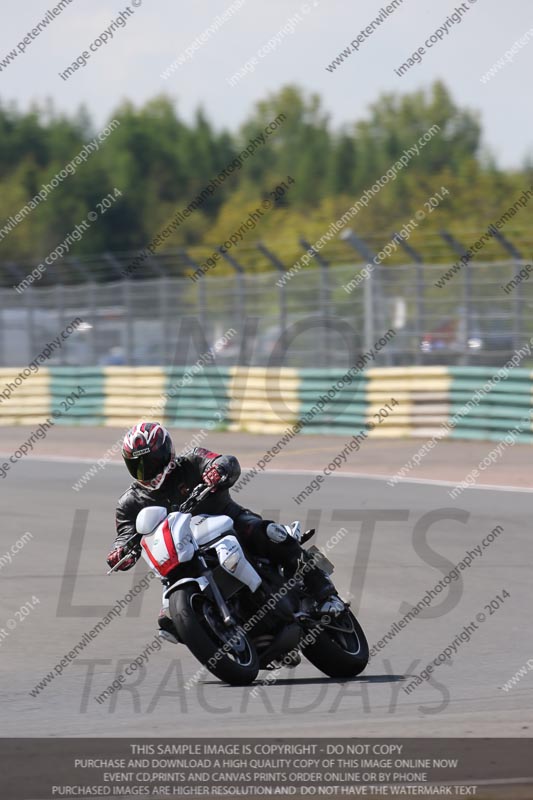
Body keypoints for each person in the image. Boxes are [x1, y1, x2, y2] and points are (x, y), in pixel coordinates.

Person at [107, 421, 343, 643]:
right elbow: (126, 534)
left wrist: (218, 470)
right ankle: (219, 636)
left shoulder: (192, 461)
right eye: (136, 465)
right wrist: (120, 551)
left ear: (166, 452)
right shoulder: (130, 501)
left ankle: (325, 593)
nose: (144, 470)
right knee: (168, 620)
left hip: (229, 521)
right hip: (183, 551)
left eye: (149, 462)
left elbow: (225, 461)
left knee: (270, 534)